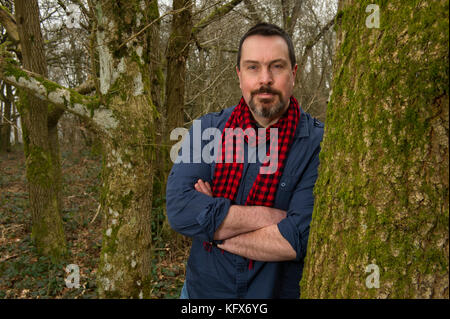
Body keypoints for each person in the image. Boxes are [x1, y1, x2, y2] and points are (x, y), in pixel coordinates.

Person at [166, 22, 324, 299]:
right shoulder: (206, 131)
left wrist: (214, 228)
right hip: (200, 295)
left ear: (294, 73)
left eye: (277, 66)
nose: (265, 79)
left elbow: (295, 239)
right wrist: (270, 217)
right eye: (253, 67)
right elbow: (180, 210)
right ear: (239, 75)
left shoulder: (317, 143)